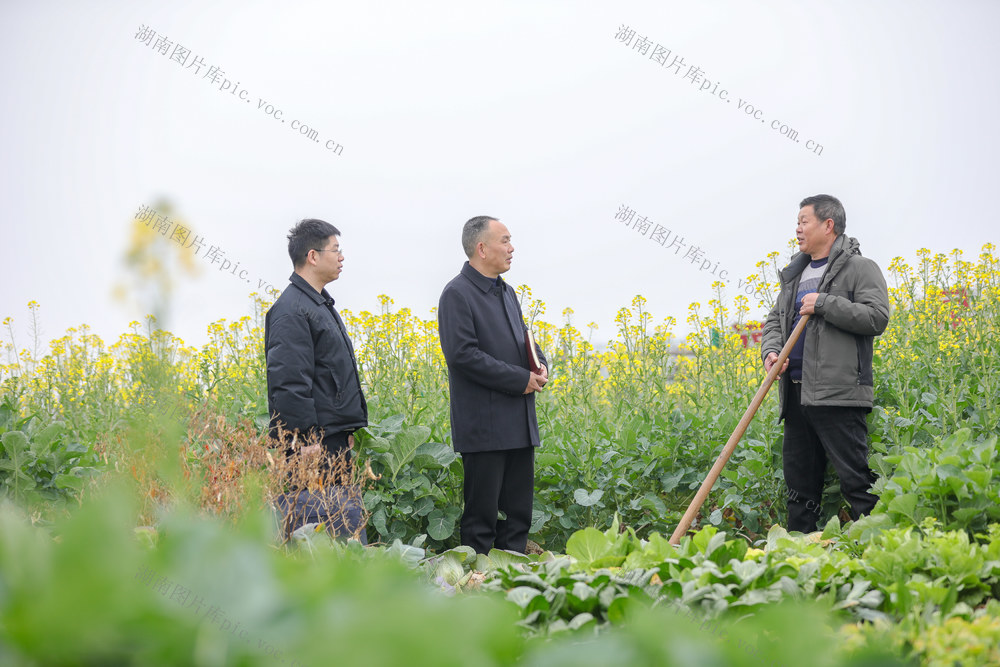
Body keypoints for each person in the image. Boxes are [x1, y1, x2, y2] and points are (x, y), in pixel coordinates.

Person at [761, 195, 890, 533]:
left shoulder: (859, 268)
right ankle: (799, 555)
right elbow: (774, 321)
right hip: (796, 394)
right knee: (799, 490)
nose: (797, 229)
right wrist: (772, 352)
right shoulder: (796, 273)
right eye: (797, 222)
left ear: (828, 225)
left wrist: (824, 304)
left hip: (838, 393)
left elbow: (877, 317)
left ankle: (876, 548)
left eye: (804, 221)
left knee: (857, 482)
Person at [438, 216, 548, 554]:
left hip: (518, 422)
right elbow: (463, 355)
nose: (512, 248)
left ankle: (514, 576)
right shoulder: (457, 294)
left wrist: (540, 364)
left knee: (519, 516)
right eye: (505, 240)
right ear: (482, 248)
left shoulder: (507, 292)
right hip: (484, 428)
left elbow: (523, 340)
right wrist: (519, 379)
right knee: (481, 518)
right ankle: (476, 580)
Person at [265, 219, 368, 539]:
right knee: (317, 529)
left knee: (340, 527)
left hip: (330, 438)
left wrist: (344, 429)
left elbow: (328, 375)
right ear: (313, 256)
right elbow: (289, 382)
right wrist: (305, 437)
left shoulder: (317, 303)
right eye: (335, 250)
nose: (341, 257)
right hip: (312, 445)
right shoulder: (292, 310)